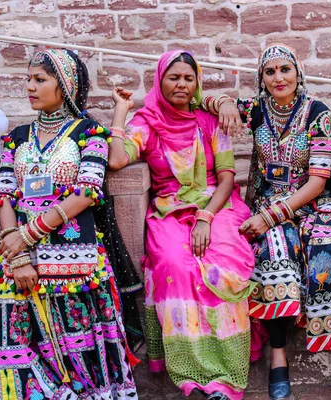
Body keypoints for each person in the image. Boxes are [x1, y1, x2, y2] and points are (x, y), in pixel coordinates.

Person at [212, 43, 331, 399]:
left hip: (313, 201)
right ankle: (278, 356)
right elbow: (208, 99)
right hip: (267, 202)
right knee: (274, 255)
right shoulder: (255, 110)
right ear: (261, 79)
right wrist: (223, 103)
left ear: (298, 73)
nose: (279, 77)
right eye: (270, 71)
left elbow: (318, 181)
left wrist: (272, 216)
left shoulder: (318, 113)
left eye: (285, 69)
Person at [108, 50, 255, 400]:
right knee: (176, 263)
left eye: (189, 78)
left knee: (222, 264)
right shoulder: (147, 122)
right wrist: (121, 110)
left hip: (217, 206)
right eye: (174, 77)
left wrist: (205, 217)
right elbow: (115, 159)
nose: (182, 84)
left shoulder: (209, 121)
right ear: (160, 80)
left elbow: (225, 178)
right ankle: (192, 376)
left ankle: (226, 377)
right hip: (169, 211)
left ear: (197, 83)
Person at [0, 49, 138, 399]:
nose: (29, 86)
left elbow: (88, 191)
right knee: (19, 354)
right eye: (28, 78)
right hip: (19, 265)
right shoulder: (15, 138)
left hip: (74, 265)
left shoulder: (88, 133)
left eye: (39, 80)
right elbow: (3, 194)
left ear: (64, 86)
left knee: (82, 357)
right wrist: (18, 255)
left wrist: (26, 235)